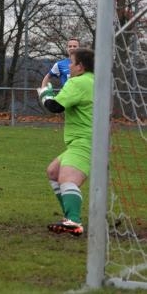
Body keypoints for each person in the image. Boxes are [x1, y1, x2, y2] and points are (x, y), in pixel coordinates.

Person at [37, 48, 94, 236]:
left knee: (67, 179)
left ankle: (74, 221)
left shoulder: (77, 82)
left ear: (80, 66)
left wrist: (45, 93)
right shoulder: (93, 80)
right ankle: (70, 217)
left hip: (85, 141)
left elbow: (54, 107)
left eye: (72, 62)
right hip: (87, 140)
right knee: (53, 171)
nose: (69, 66)